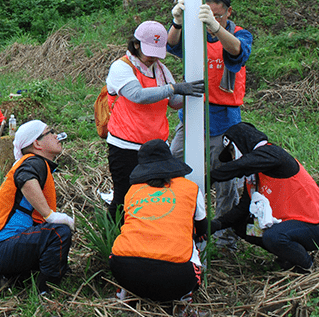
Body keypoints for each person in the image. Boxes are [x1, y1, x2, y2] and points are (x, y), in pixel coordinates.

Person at [167, 0, 253, 250]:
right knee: (174, 166)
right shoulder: (195, 34)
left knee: (226, 180)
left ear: (228, 11)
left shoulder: (238, 35)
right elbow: (172, 45)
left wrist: (215, 27)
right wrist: (178, 22)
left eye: (217, 14)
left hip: (224, 120)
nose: (211, 19)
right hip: (191, 115)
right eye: (209, 14)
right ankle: (180, 227)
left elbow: (237, 51)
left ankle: (225, 238)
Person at [105, 20, 205, 221]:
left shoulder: (160, 70)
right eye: (148, 51)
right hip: (126, 146)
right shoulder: (121, 67)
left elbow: (174, 102)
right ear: (135, 45)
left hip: (156, 146)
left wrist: (189, 92)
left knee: (153, 196)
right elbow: (138, 95)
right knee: (124, 197)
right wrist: (174, 88)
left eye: (156, 52)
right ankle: (114, 241)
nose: (152, 57)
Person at [208, 122, 319, 273]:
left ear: (240, 145)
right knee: (243, 226)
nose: (234, 159)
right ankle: (288, 255)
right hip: (289, 224)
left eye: (233, 153)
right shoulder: (254, 175)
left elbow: (244, 164)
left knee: (274, 237)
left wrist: (213, 177)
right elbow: (242, 209)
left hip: (317, 227)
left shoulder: (273, 154)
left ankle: (305, 266)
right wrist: (217, 224)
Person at [0, 120, 74, 294]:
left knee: (55, 251)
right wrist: (50, 216)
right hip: (1, 245)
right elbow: (25, 178)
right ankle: (47, 291)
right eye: (49, 132)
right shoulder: (33, 162)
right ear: (37, 143)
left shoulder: (36, 163)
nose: (56, 135)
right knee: (58, 233)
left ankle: (9, 278)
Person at [109, 139, 207, 301]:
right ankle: (184, 299)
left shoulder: (133, 191)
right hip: (177, 276)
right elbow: (202, 228)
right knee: (193, 246)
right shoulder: (191, 188)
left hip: (123, 269)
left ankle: (125, 292)